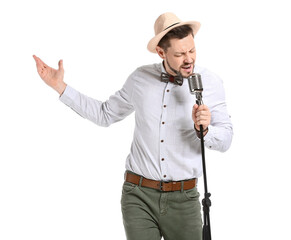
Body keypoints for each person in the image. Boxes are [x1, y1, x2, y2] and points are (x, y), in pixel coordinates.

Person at [33, 12, 233, 240]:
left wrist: (206, 130)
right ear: (161, 52)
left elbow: (226, 139)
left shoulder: (210, 82)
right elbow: (104, 114)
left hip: (184, 199)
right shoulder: (140, 79)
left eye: (192, 50)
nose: (188, 59)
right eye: (179, 54)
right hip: (138, 195)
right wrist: (61, 87)